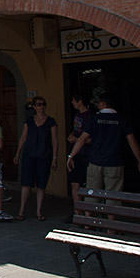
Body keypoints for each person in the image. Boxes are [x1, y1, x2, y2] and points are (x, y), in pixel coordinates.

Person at [67, 94, 140, 210]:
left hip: (95, 162)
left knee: (92, 193)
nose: (98, 105)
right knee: (113, 196)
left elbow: (82, 139)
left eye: (99, 103)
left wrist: (71, 156)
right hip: (114, 163)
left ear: (103, 104)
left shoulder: (94, 119)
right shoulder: (121, 120)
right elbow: (132, 141)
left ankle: (89, 223)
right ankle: (111, 227)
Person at [13, 96, 57, 221]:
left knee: (41, 184)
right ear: (34, 107)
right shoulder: (29, 121)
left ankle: (38, 211)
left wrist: (55, 157)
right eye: (38, 104)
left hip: (45, 155)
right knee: (26, 183)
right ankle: (21, 210)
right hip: (29, 155)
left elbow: (54, 140)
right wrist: (17, 153)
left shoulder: (51, 122)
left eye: (43, 104)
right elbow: (23, 137)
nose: (41, 106)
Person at [64, 93, 94, 223]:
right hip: (76, 154)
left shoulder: (91, 117)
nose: (72, 102)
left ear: (80, 101)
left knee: (87, 186)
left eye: (73, 99)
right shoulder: (77, 115)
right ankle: (78, 213)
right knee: (74, 184)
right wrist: (72, 136)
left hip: (86, 154)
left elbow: (93, 139)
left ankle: (88, 216)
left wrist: (77, 140)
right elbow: (76, 131)